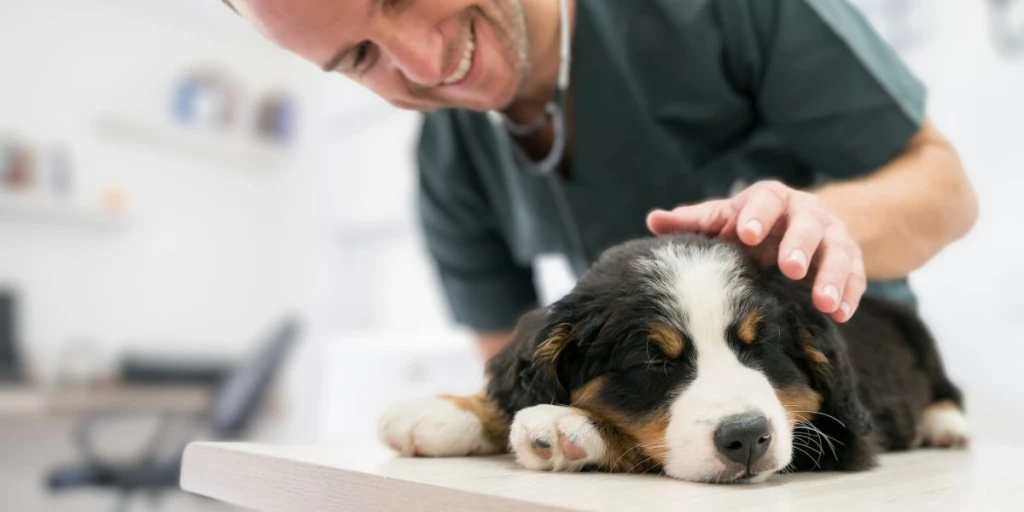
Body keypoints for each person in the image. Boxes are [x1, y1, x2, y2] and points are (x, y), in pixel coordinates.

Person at [222, 0, 978, 360]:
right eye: (359, 58)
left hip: (854, 410)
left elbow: (946, 187)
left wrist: (830, 223)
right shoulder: (449, 157)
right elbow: (507, 372)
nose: (425, 65)